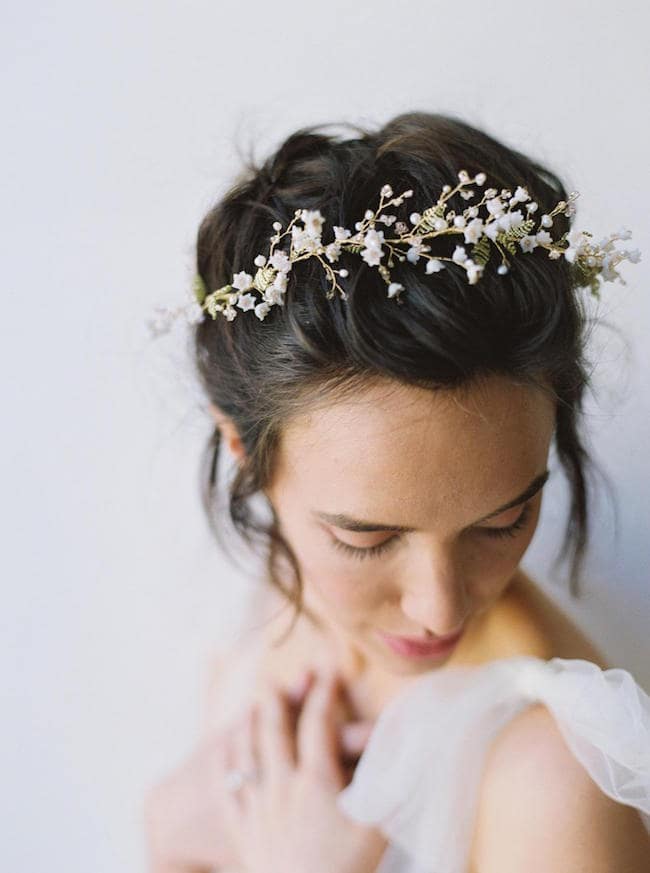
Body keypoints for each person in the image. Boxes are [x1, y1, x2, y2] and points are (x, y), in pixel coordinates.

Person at [143, 112, 650, 873]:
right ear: (245, 451)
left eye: (505, 520)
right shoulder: (269, 615)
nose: (440, 608)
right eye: (366, 538)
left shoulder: (554, 770)